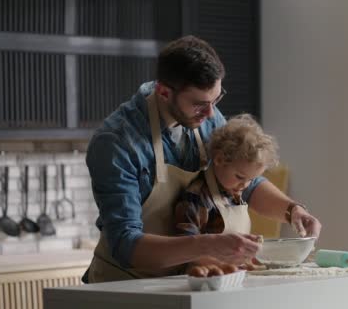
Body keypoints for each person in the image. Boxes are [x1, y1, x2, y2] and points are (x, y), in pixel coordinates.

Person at [84, 35, 321, 283]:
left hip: (180, 284)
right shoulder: (116, 143)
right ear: (164, 92)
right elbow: (127, 245)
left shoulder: (205, 116)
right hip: (125, 287)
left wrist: (293, 210)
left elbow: (245, 182)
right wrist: (207, 245)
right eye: (200, 104)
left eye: (216, 100)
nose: (210, 114)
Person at [173, 114, 278, 272]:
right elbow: (184, 250)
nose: (245, 185)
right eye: (240, 177)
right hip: (204, 279)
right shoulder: (196, 197)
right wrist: (227, 266)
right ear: (220, 160)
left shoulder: (233, 194)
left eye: (251, 179)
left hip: (232, 277)